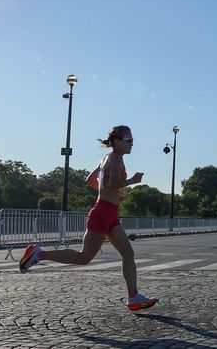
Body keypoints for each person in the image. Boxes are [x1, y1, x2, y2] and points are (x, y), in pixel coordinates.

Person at [18, 124, 157, 312]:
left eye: (133, 140)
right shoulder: (116, 158)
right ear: (116, 142)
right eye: (128, 140)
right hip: (102, 213)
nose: (132, 144)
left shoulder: (106, 158)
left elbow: (91, 180)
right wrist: (132, 181)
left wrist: (112, 194)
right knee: (84, 257)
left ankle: (133, 297)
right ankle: (39, 254)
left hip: (109, 212)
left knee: (128, 253)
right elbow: (114, 182)